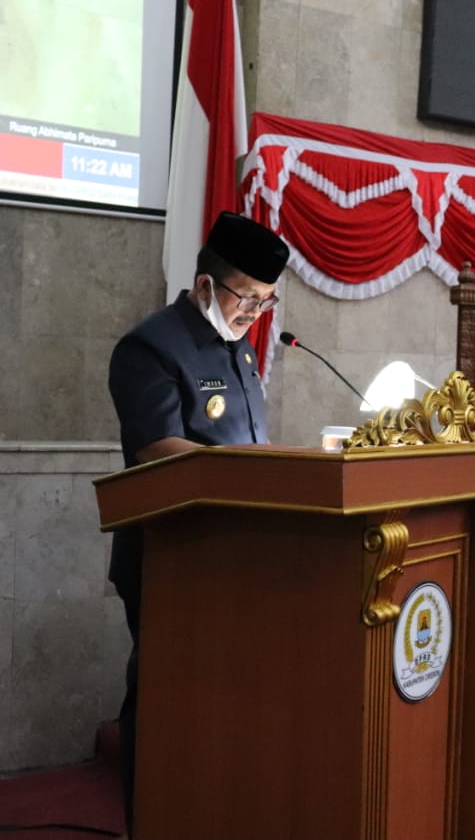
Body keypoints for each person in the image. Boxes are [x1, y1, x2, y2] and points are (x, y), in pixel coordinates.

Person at [107, 211, 289, 831]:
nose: (254, 314)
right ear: (208, 284)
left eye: (266, 302)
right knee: (165, 705)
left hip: (238, 559)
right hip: (171, 559)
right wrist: (262, 475)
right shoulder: (151, 347)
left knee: (226, 710)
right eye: (248, 298)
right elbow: (157, 449)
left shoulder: (240, 354)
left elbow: (251, 447)